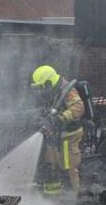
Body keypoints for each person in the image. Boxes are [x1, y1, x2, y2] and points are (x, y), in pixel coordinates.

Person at [31, 65, 84, 196]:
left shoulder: (67, 90)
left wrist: (60, 118)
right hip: (56, 137)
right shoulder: (54, 91)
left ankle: (72, 201)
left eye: (42, 86)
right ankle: (52, 201)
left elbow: (79, 107)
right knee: (51, 167)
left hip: (69, 137)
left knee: (68, 168)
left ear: (49, 82)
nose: (41, 90)